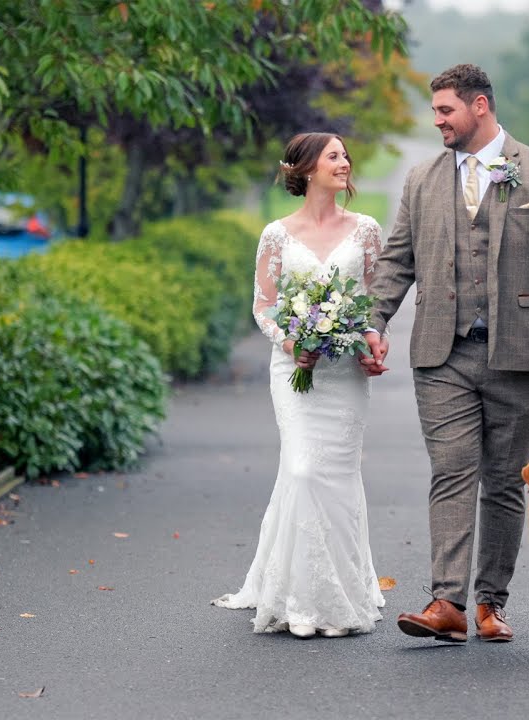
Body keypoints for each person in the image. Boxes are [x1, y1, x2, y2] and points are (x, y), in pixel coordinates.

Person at [360, 64, 529, 643]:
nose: (436, 121)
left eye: (445, 111)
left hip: (519, 353)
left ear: (479, 106)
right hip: (443, 354)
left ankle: (490, 602)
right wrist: (374, 321)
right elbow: (396, 260)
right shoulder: (420, 180)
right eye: (435, 111)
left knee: (505, 482)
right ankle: (447, 602)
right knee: (451, 471)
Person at [212, 132, 386, 639]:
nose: (345, 162)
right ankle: (301, 600)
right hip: (295, 370)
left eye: (346, 155)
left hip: (346, 375)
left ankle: (339, 596)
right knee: (303, 469)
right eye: (334, 156)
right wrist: (292, 344)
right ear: (307, 168)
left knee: (338, 475)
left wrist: (372, 338)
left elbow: (374, 301)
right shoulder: (277, 235)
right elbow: (263, 306)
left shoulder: (367, 231)